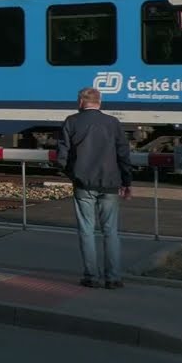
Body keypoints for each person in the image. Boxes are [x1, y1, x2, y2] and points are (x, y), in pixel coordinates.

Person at [55, 86, 132, 289]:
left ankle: (91, 277)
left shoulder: (71, 121)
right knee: (111, 232)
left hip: (83, 185)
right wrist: (127, 182)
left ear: (81, 102)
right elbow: (123, 154)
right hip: (110, 184)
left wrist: (73, 175)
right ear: (99, 102)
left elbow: (62, 156)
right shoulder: (112, 122)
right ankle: (113, 278)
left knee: (86, 231)